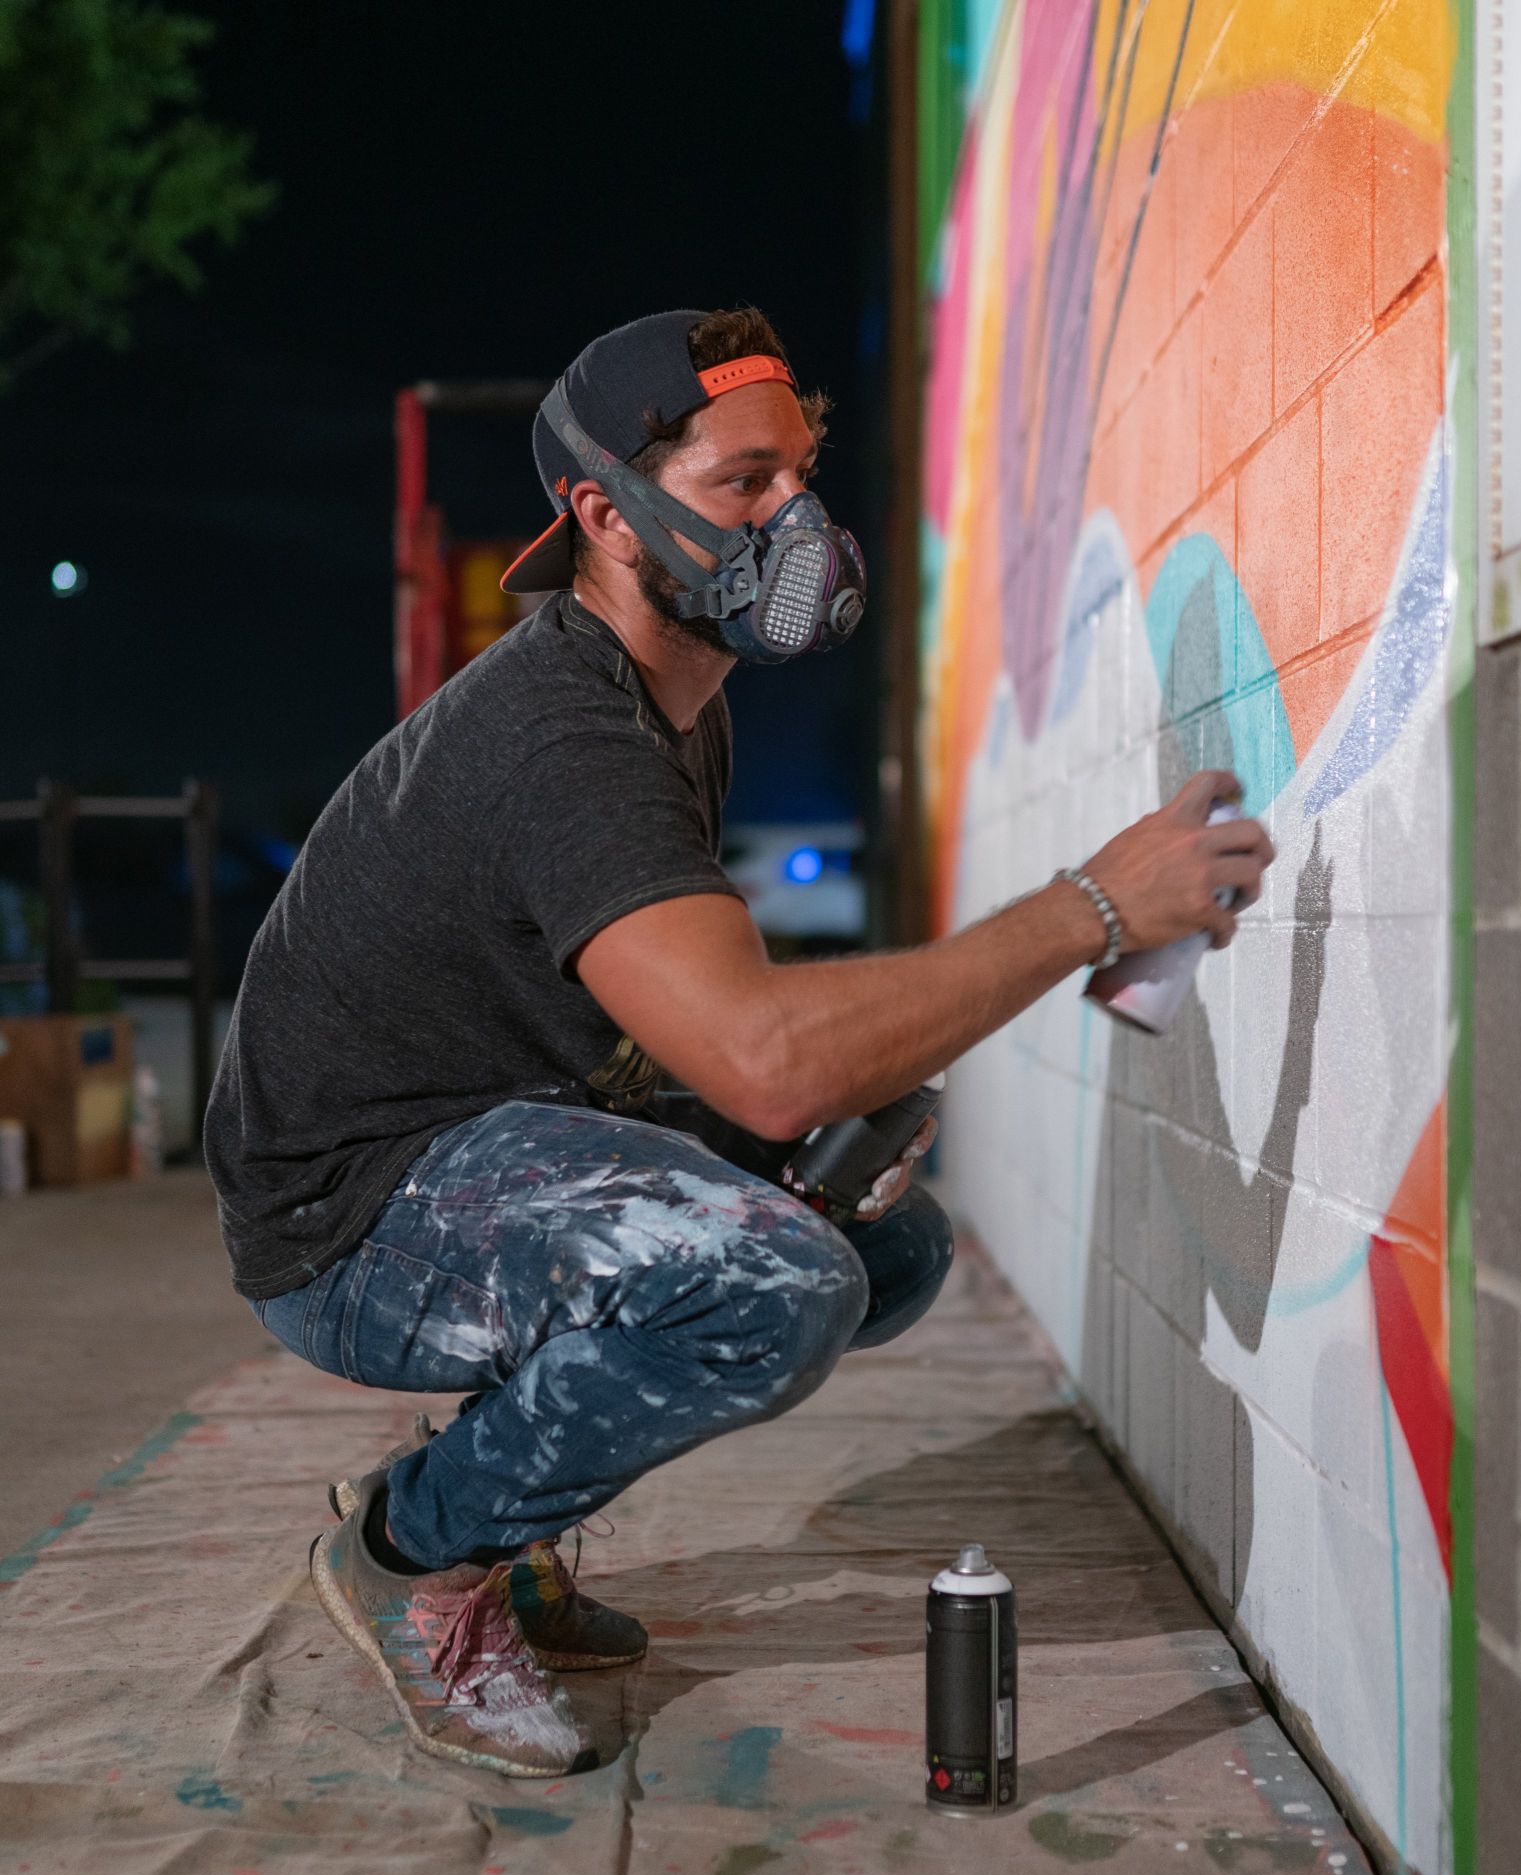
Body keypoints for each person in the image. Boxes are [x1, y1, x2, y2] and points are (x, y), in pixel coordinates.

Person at [204, 306, 1275, 1779]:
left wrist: (821, 1102)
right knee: (769, 1281)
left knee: (879, 1247)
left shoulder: (672, 704)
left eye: (798, 477)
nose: (797, 522)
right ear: (601, 511)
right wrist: (1092, 909)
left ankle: (492, 1513)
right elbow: (766, 1057)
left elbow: (703, 1026)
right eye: (742, 485)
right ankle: (411, 1558)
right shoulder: (565, 744)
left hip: (478, 1139)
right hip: (350, 1222)